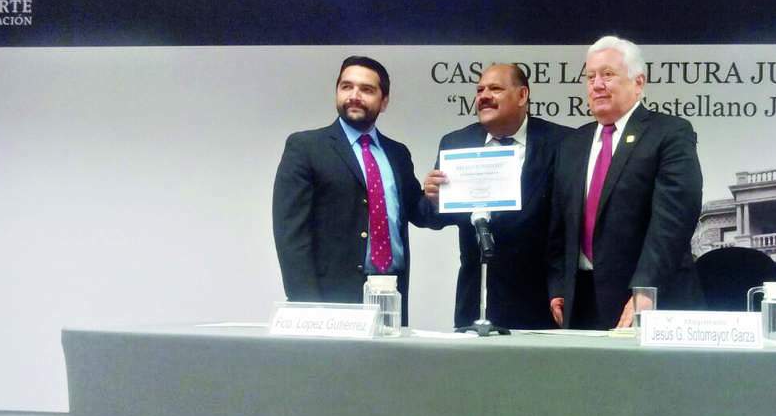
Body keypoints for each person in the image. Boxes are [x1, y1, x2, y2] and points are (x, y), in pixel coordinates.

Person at [548, 36, 704, 330]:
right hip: (580, 303)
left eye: (608, 74)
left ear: (638, 82)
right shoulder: (572, 145)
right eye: (590, 77)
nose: (597, 85)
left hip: (646, 300)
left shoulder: (670, 133)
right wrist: (558, 284)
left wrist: (646, 289)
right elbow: (559, 225)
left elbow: (674, 221)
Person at [272, 56, 427, 323]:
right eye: (346, 87)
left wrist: (439, 196)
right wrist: (308, 308)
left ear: (384, 101)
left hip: (391, 292)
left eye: (366, 89)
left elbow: (420, 213)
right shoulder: (306, 147)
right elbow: (291, 234)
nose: (354, 96)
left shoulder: (397, 153)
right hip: (330, 299)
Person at [422, 64, 571, 330]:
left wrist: (560, 287)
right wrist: (434, 199)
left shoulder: (562, 143)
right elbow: (434, 219)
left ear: (522, 95)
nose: (484, 96)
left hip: (540, 300)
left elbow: (569, 223)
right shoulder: (456, 142)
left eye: (495, 89)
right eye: (480, 90)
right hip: (476, 299)